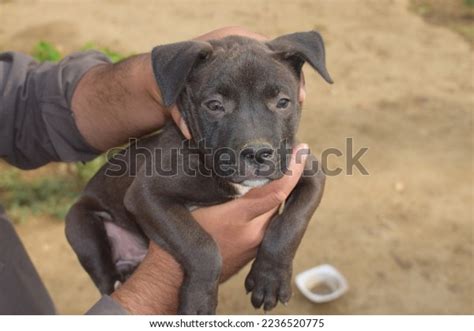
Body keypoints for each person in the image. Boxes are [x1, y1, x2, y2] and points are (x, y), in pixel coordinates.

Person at [0, 27, 307, 314]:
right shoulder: (181, 157)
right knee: (79, 219)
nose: (254, 139)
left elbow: (312, 179)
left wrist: (278, 250)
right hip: (113, 220)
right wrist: (199, 265)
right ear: (184, 91)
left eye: (281, 103)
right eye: (215, 105)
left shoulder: (278, 147)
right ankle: (113, 284)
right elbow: (141, 196)